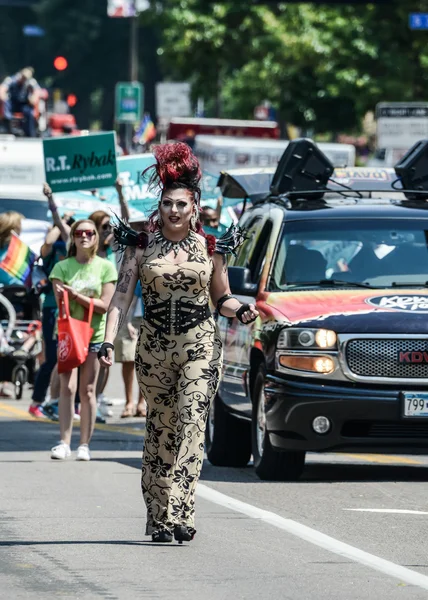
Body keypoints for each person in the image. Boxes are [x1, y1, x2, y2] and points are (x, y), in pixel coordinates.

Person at [98, 142, 258, 542]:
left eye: (181, 205)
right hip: (154, 345)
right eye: (167, 203)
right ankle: (157, 514)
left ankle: (182, 511)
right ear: (161, 204)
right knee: (161, 428)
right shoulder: (140, 246)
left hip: (199, 343)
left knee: (191, 421)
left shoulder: (210, 248)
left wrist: (241, 310)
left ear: (194, 207)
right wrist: (106, 341)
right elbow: (120, 297)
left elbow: (222, 298)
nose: (173, 210)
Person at [49, 219, 117, 460]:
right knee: (67, 388)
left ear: (96, 237)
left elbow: (105, 306)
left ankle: (84, 445)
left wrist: (76, 295)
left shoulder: (106, 267)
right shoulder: (61, 268)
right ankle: (64, 442)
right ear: (73, 237)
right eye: (79, 233)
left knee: (88, 390)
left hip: (94, 336)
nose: (84, 236)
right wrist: (69, 296)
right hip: (69, 334)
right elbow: (61, 304)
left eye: (89, 233)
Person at [28, 184, 72, 418]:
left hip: (74, 311)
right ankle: (37, 401)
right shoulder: (53, 247)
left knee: (72, 359)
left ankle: (63, 403)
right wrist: (59, 216)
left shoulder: (79, 247)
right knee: (53, 358)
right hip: (53, 309)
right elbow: (47, 242)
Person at [0, 67, 40, 137]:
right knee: (6, 103)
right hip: (12, 104)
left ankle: (30, 134)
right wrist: (3, 95)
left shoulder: (30, 81)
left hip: (23, 104)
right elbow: (2, 88)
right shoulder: (11, 79)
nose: (24, 80)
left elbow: (37, 91)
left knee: (29, 112)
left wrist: (34, 97)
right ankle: (8, 125)